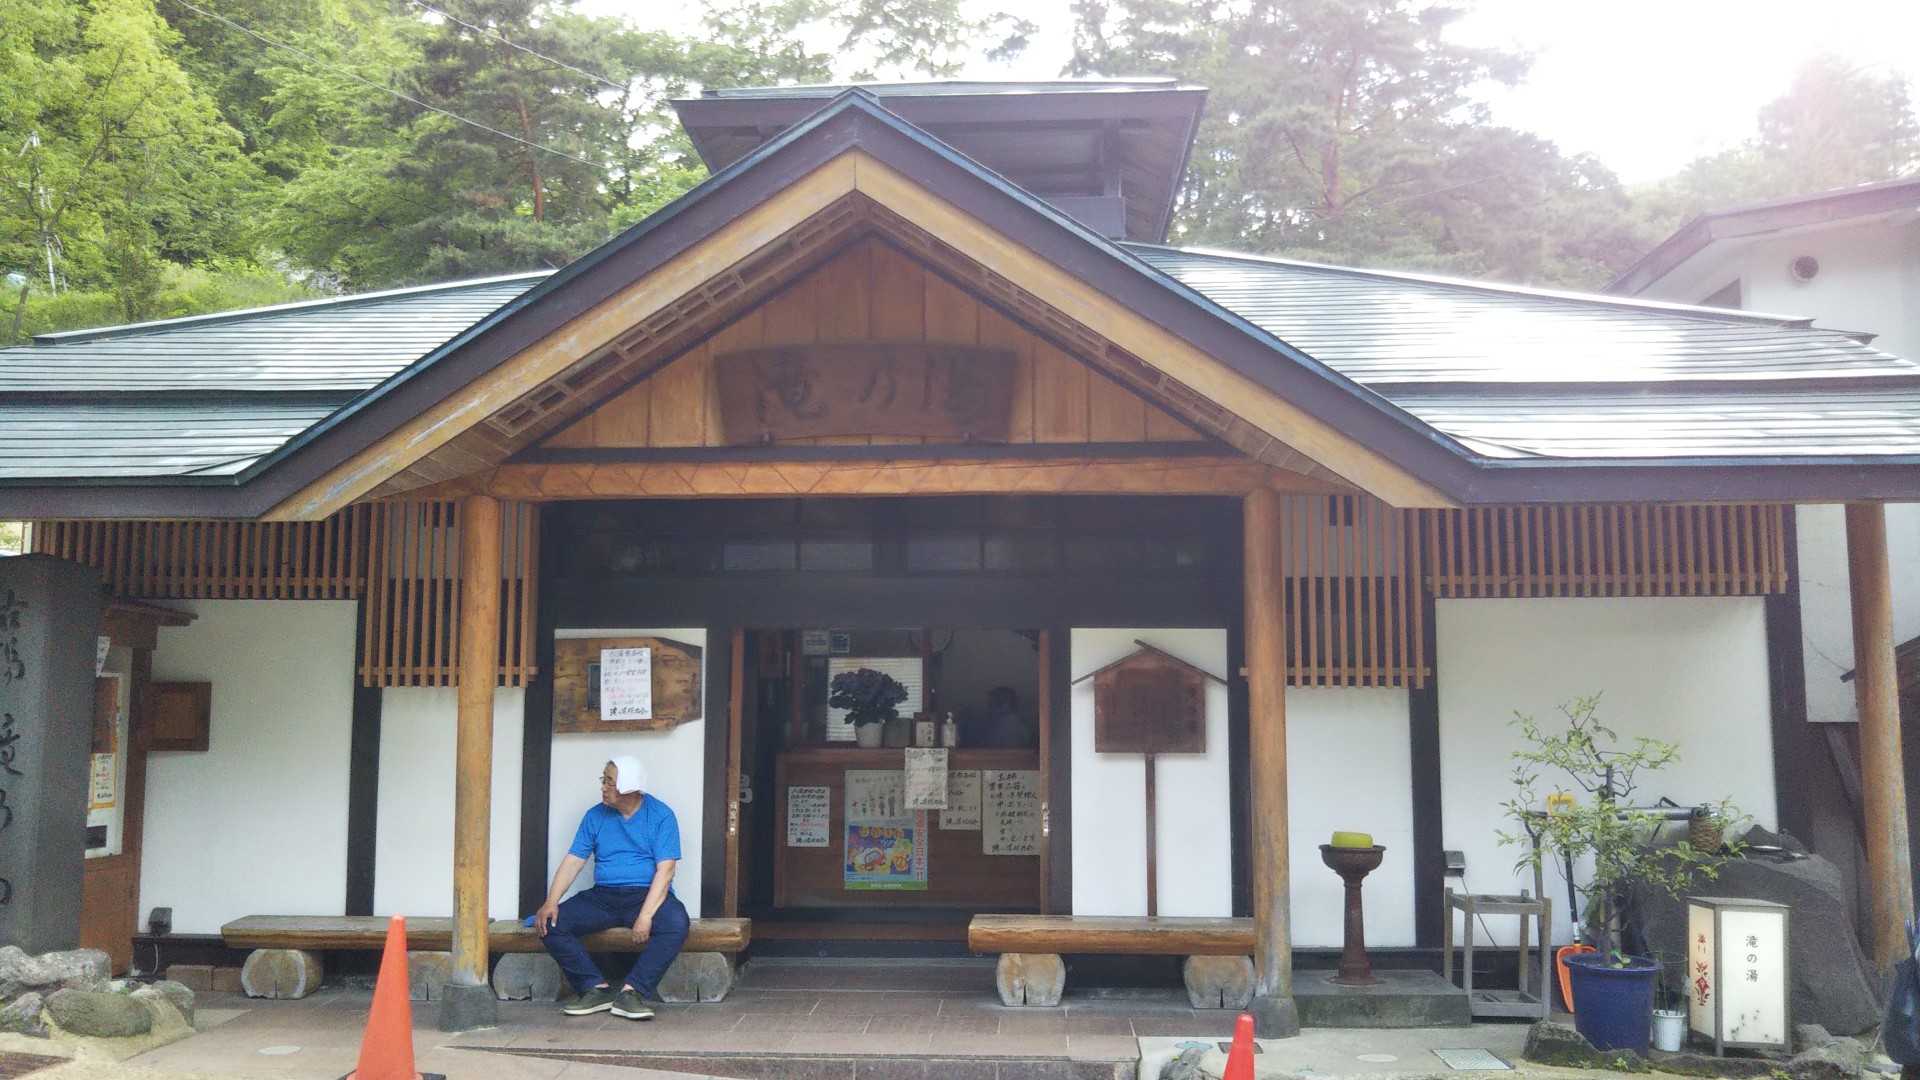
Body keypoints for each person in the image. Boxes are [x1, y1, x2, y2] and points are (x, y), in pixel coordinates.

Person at [533, 755, 688, 1020]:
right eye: (603, 780)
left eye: (609, 782)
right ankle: (594, 988)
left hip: (645, 896)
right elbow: (573, 861)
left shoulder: (661, 815)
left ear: (628, 785)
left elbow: (666, 871)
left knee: (676, 923)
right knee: (550, 923)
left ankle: (633, 992)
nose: (603, 787)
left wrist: (645, 916)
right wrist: (551, 901)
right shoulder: (594, 816)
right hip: (603, 896)